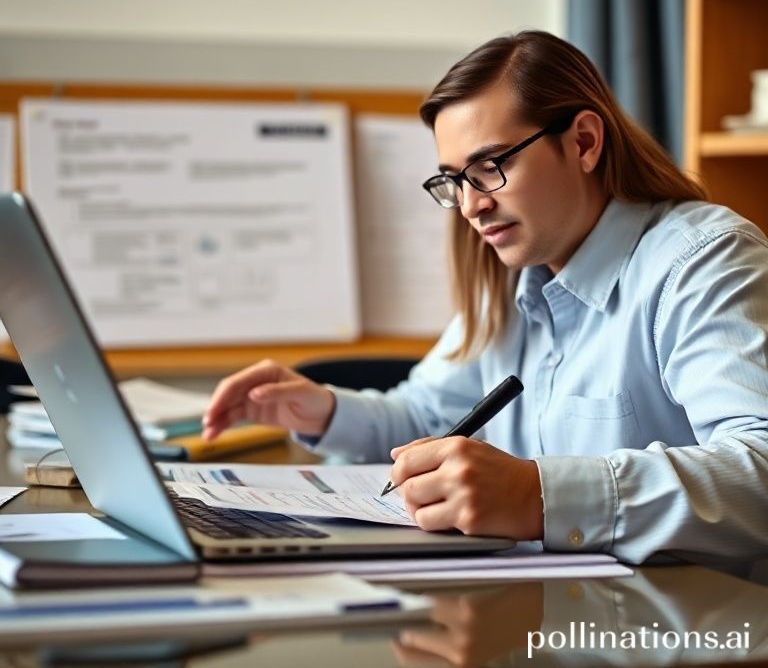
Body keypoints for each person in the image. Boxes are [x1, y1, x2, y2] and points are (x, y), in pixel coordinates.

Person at [203, 31, 768, 564]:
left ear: (585, 143)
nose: (472, 206)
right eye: (454, 180)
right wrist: (324, 410)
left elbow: (759, 470)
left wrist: (540, 496)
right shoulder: (512, 275)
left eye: (491, 167)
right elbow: (431, 417)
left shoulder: (702, 260)